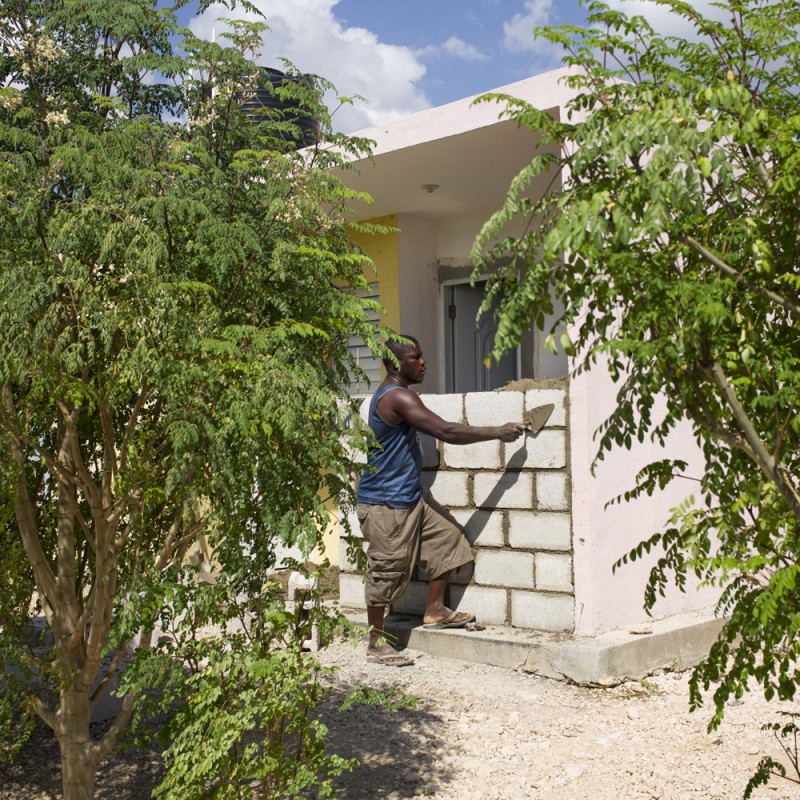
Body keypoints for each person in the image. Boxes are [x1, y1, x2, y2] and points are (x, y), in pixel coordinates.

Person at [357, 335, 524, 666]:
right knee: (386, 570)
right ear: (394, 364)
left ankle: (434, 610)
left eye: (422, 356)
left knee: (449, 541)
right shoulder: (397, 398)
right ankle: (376, 643)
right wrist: (498, 432)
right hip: (387, 505)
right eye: (415, 357)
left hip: (411, 497)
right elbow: (446, 431)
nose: (423, 362)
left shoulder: (402, 396)